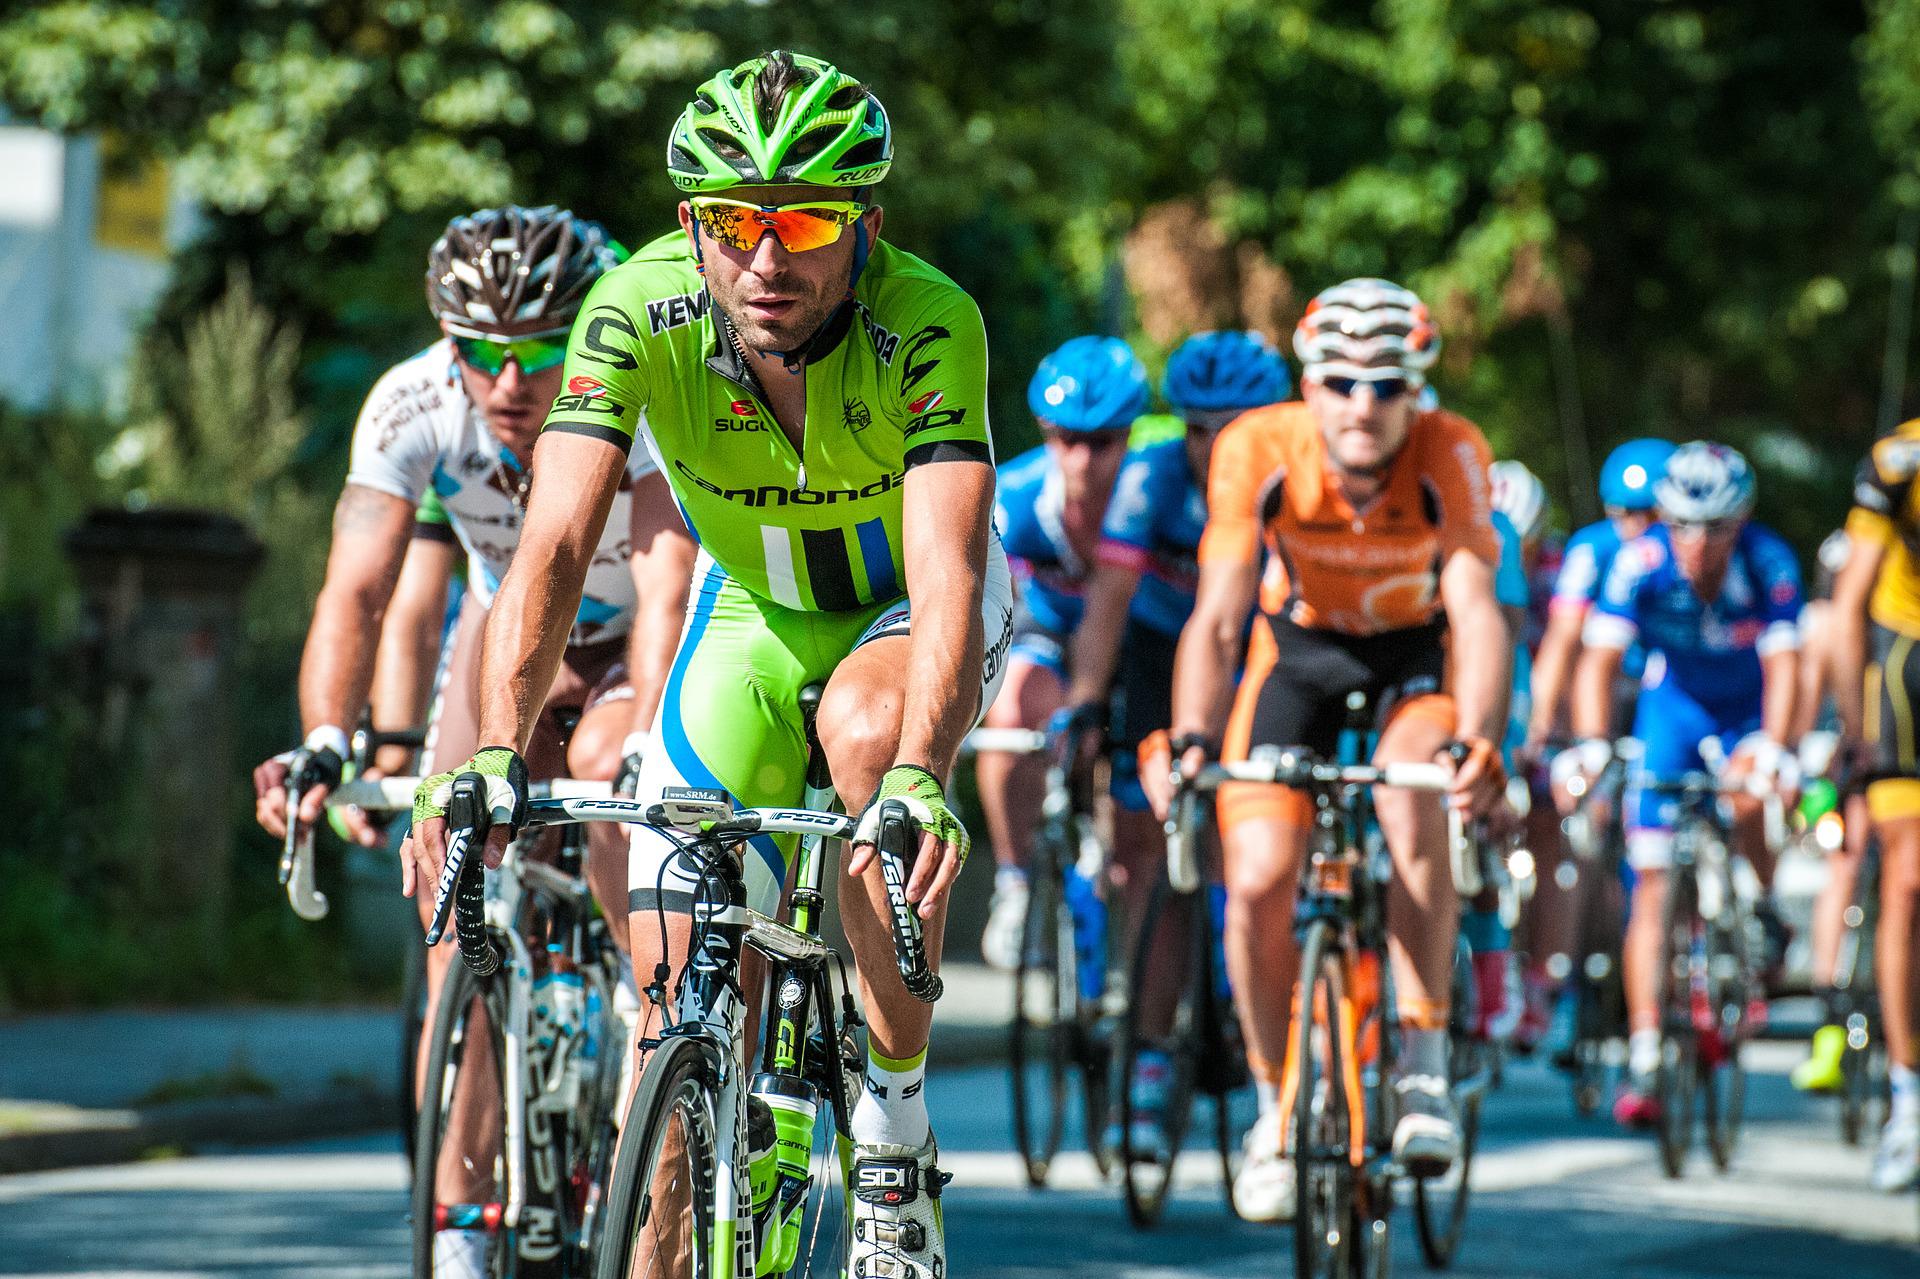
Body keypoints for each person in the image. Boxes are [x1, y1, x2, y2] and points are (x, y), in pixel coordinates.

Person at [406, 52, 1013, 1279]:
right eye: (735, 223)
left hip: (902, 611)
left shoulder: (931, 320)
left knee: (861, 742)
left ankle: (891, 1142)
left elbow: (947, 568)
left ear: (866, 228)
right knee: (673, 1003)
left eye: (803, 222)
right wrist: (488, 746)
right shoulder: (635, 307)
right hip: (754, 612)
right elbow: (559, 542)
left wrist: (921, 770)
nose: (767, 259)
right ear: (695, 224)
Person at [251, 204, 695, 1277]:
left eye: (540, 350)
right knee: (451, 898)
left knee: (609, 804)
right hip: (511, 644)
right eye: (483, 353)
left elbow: (673, 582)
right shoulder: (411, 402)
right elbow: (355, 592)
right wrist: (324, 737)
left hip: (640, 642)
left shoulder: (634, 392)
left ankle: (642, 1053)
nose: (512, 381)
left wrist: (652, 746)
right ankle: (457, 1223)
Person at [1151, 278, 1511, 1222]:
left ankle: (1423, 1058)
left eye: (1387, 384)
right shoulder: (1256, 447)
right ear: (1308, 386)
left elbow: (1476, 614)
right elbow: (1220, 615)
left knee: (1411, 794)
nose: (1363, 403)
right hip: (1297, 656)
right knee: (1261, 874)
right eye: (1341, 381)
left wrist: (1479, 738)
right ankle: (1275, 1108)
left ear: (1416, 389)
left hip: (1412, 659)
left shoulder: (1453, 450)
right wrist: (1192, 739)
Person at [1068, 330, 1292, 1157]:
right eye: (1196, 426)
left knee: (1263, 841)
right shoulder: (1151, 476)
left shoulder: (1296, 471)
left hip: (1269, 653)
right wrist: (1088, 702)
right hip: (1164, 657)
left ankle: (1267, 1003)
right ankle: (1152, 1054)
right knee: (1148, 851)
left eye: (1231, 426)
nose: (1211, 447)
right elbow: (1109, 597)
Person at [1567, 442, 1801, 1129]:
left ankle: (1758, 901)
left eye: (1717, 527)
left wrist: (1773, 747)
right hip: (1672, 711)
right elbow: (1596, 659)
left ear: (1743, 519)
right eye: (1682, 526)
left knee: (1750, 794)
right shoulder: (1639, 563)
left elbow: (1790, 664)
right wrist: (1588, 745)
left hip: (1746, 709)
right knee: (1653, 882)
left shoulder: (1769, 560)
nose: (1698, 543)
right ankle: (1644, 1044)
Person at [975, 336, 1149, 972]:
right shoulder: (1015, 497)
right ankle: (1017, 882)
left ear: (1129, 435)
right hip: (1046, 639)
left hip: (1129, 646)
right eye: (1062, 436)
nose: (1080, 458)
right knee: (1011, 711)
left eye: (1102, 441)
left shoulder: (1148, 493)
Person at [1834, 423, 1920, 1192]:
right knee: (1910, 879)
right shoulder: (1902, 458)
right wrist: (1851, 732)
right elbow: (1849, 599)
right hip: (1906, 668)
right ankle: (1907, 1094)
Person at [1789, 530, 1873, 1098]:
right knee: (1842, 866)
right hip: (1842, 762)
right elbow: (1801, 710)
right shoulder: (1820, 623)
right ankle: (1827, 1013)